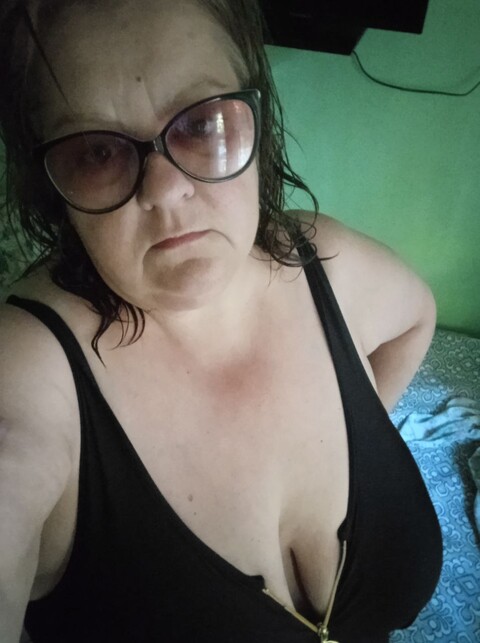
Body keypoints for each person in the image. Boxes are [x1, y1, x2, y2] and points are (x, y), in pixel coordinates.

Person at [0, 1, 442, 641]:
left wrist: (364, 417)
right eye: (96, 152)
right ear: (50, 186)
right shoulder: (29, 367)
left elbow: (416, 317)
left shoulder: (322, 260)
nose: (165, 191)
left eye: (201, 123)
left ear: (257, 112)